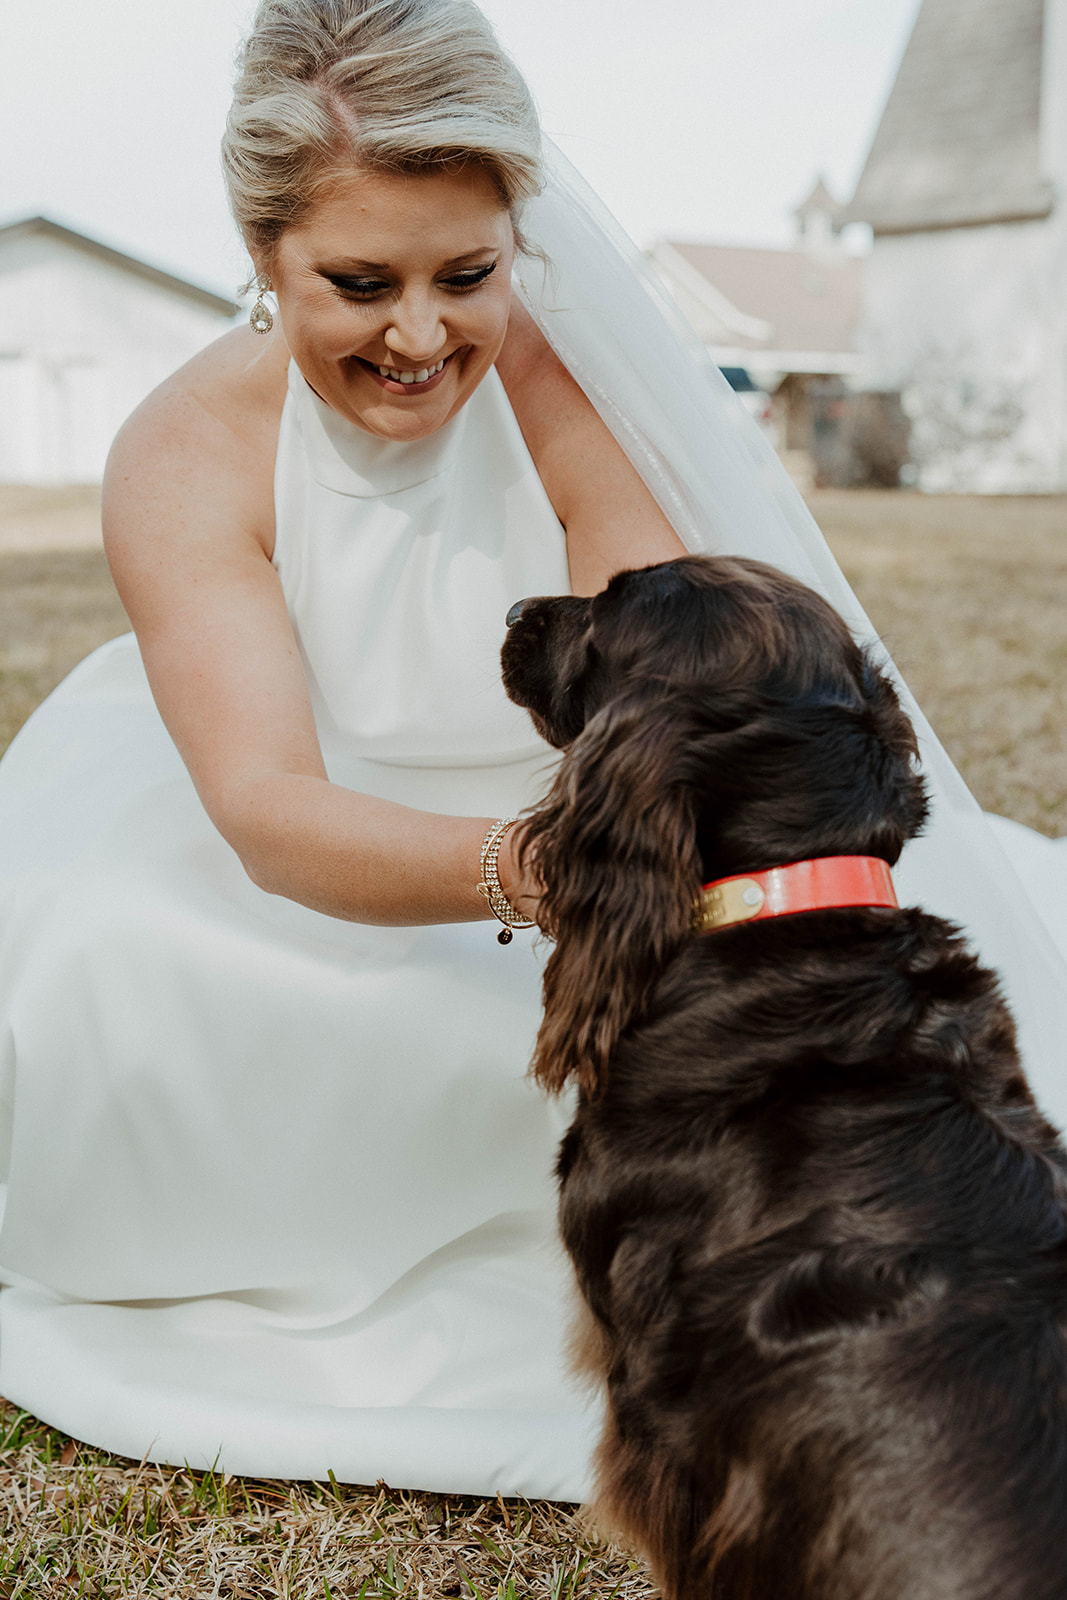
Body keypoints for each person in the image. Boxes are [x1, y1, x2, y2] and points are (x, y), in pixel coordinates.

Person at [0, 0, 1064, 1505]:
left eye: (469, 275)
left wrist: (634, 861)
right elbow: (266, 809)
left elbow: (664, 688)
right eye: (358, 281)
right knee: (126, 996)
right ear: (259, 254)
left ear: (522, 239)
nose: (423, 336)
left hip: (584, 803)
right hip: (321, 840)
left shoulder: (565, 377)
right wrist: (543, 873)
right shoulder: (185, 453)